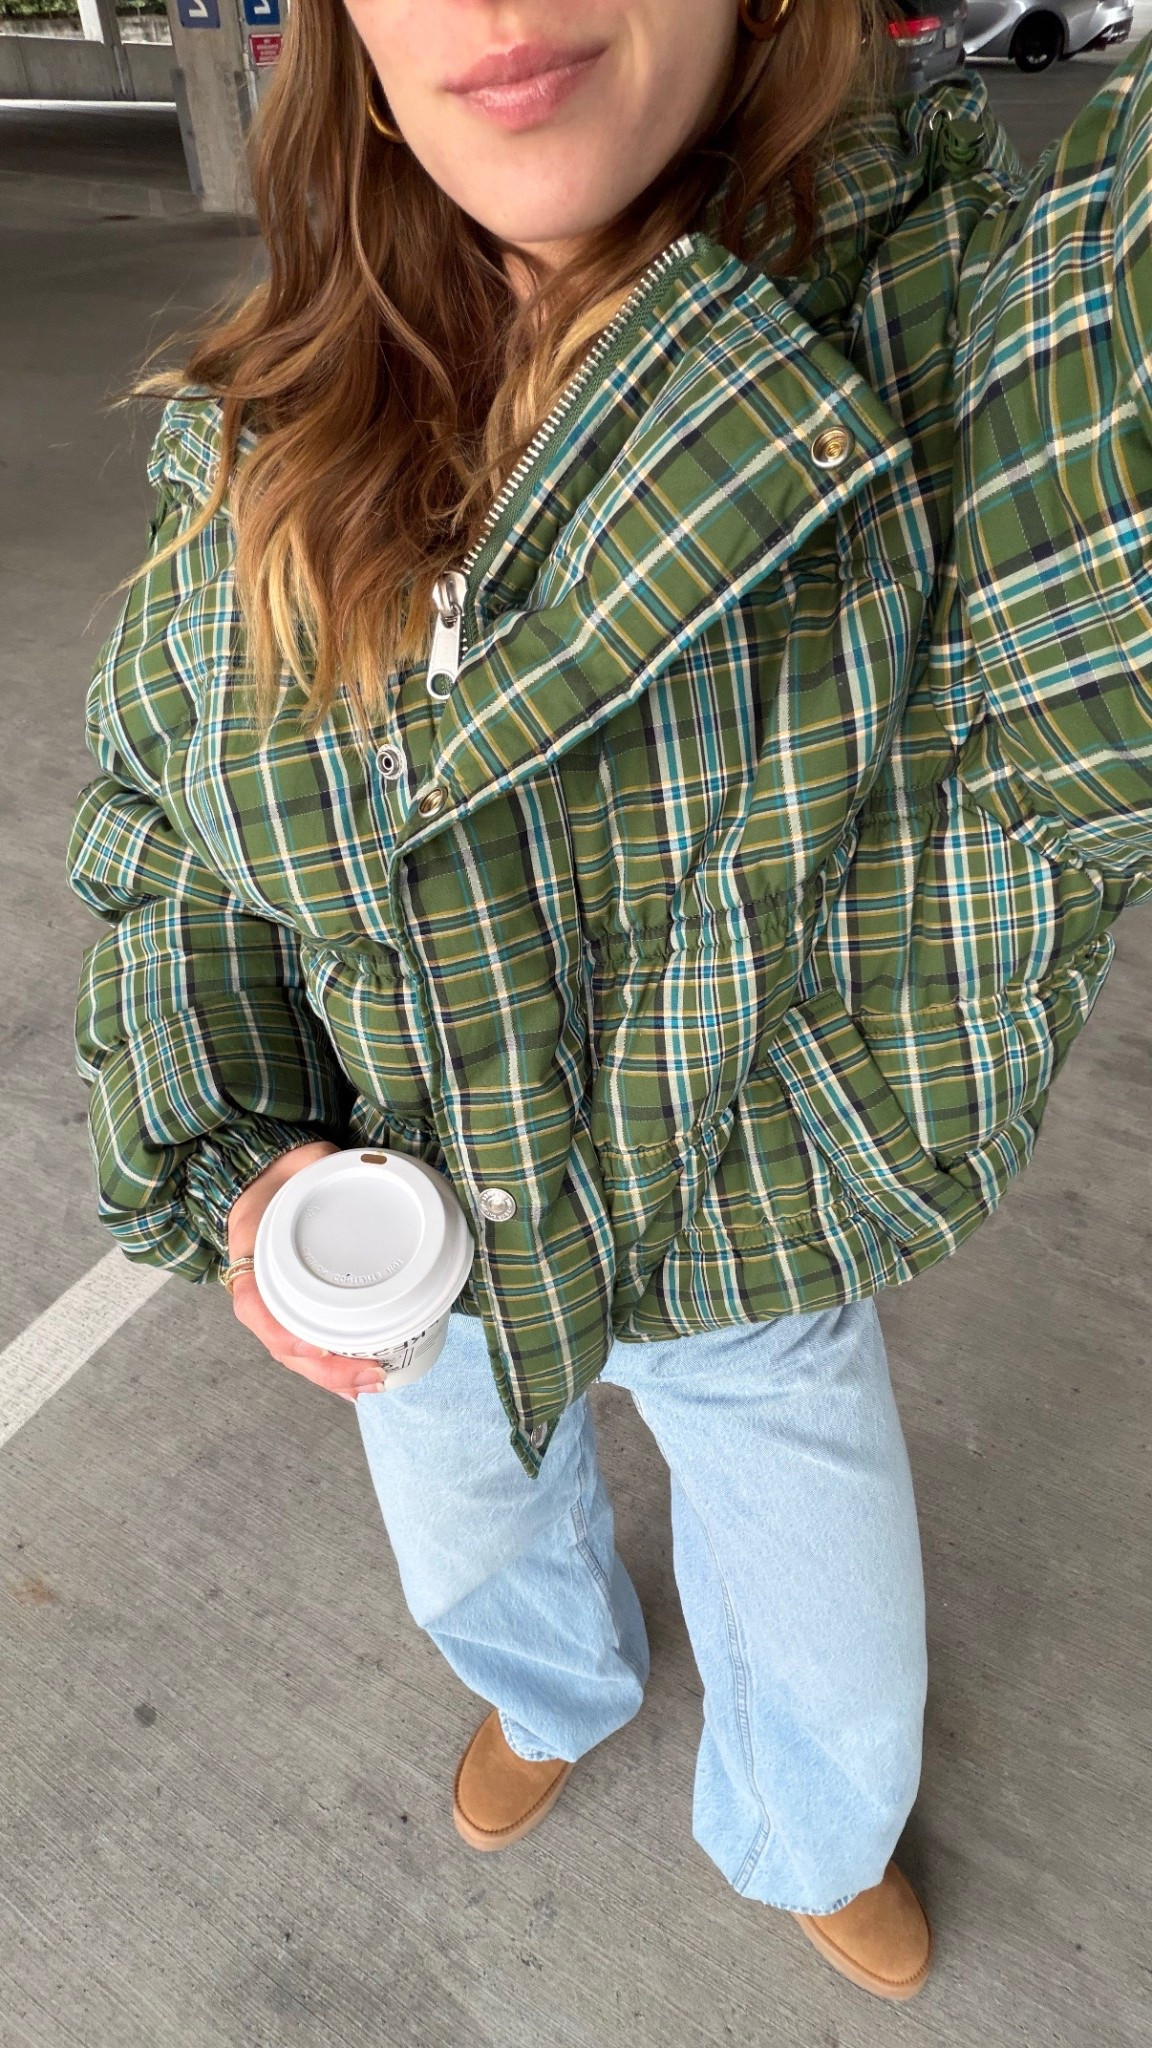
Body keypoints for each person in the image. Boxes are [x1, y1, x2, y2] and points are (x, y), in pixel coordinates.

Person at [67, 0, 1152, 2005]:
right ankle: (555, 1685)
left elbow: (1115, 513)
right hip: (432, 1227)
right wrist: (239, 1137)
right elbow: (172, 825)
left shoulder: (962, 350)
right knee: (469, 1541)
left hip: (749, 1237)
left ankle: (809, 1823)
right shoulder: (267, 401)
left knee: (834, 1638)